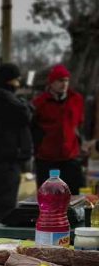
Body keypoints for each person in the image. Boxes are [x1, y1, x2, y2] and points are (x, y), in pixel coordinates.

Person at [0, 63, 33, 238]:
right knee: (4, 203)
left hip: (4, 157)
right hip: (5, 158)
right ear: (10, 79)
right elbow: (24, 113)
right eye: (17, 80)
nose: (18, 84)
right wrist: (27, 104)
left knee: (2, 199)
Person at [32, 64, 85, 194]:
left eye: (66, 80)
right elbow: (33, 127)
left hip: (70, 156)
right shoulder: (40, 102)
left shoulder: (76, 99)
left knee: (76, 195)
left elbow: (78, 123)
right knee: (50, 197)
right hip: (47, 159)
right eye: (60, 80)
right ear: (51, 83)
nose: (64, 84)